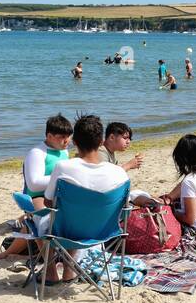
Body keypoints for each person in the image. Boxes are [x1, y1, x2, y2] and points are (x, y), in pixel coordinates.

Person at [41, 114, 131, 284]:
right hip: (104, 233)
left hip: (66, 231)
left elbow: (47, 202)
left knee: (40, 217)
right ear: (100, 142)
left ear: (75, 142)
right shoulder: (119, 173)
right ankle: (69, 271)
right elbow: (123, 208)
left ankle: (51, 273)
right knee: (81, 216)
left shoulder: (63, 167)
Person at [23, 114, 73, 209]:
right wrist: (63, 178)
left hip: (57, 195)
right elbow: (34, 185)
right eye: (62, 137)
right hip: (38, 197)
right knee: (47, 218)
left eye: (69, 136)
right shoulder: (37, 153)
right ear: (49, 136)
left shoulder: (64, 151)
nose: (67, 140)